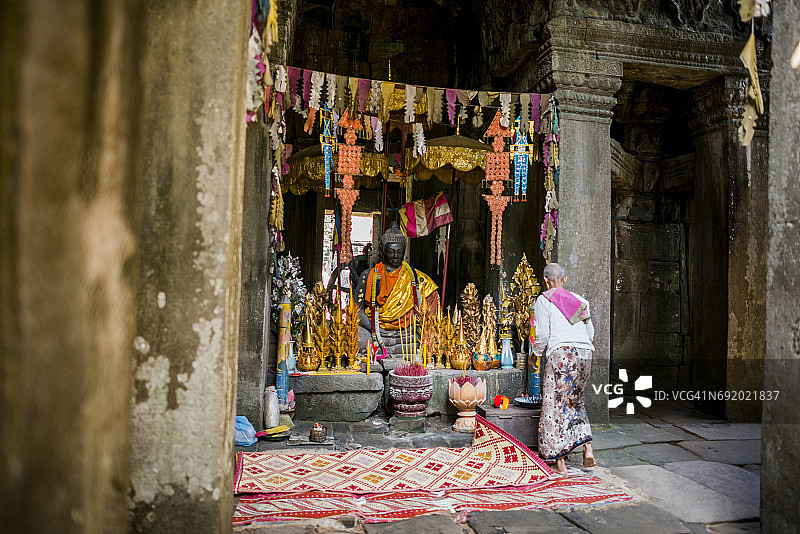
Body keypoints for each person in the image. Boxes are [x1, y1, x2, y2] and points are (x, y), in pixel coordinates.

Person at [531, 262, 595, 475]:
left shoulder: (544, 299)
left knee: (554, 406)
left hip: (562, 355)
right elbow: (590, 333)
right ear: (564, 280)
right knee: (575, 400)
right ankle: (587, 447)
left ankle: (559, 463)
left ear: (545, 281)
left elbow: (541, 336)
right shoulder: (580, 301)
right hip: (585, 354)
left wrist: (535, 356)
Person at [355, 222, 439, 358]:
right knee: (357, 337)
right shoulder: (368, 275)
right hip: (375, 330)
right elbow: (357, 310)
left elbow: (430, 307)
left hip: (406, 332)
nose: (395, 256)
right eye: (391, 251)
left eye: (399, 252)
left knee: (426, 338)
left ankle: (385, 348)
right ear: (383, 251)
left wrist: (415, 326)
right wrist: (375, 327)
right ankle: (392, 347)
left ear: (404, 252)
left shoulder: (416, 277)